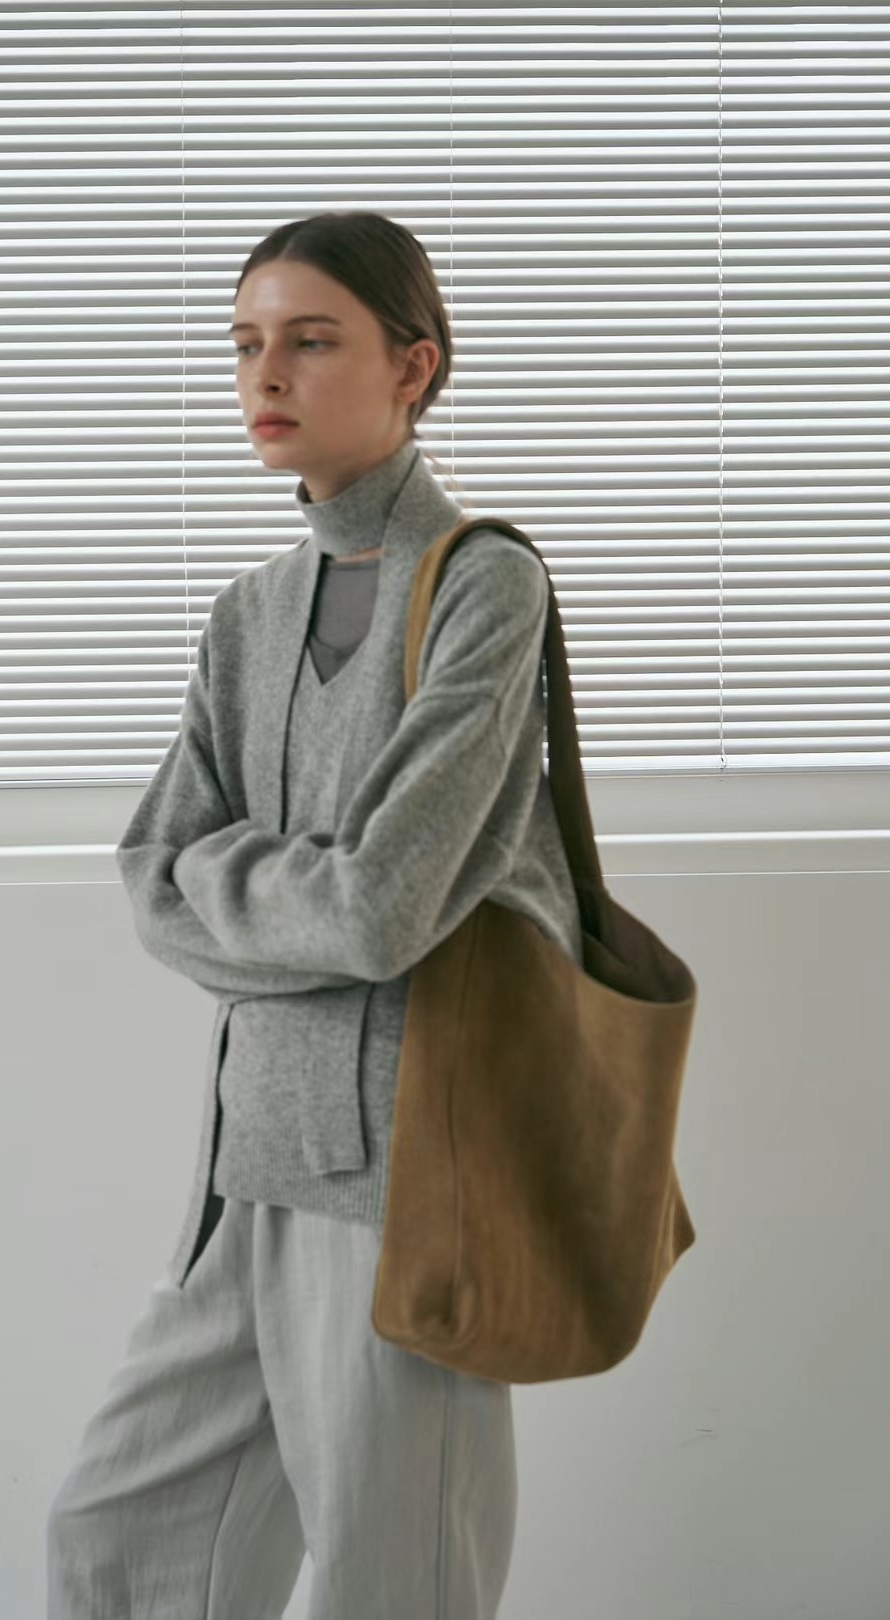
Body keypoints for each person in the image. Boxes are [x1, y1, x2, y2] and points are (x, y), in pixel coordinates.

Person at [46, 210, 583, 1619]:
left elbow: (379, 910)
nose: (265, 373)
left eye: (310, 339)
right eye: (245, 344)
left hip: (410, 1180)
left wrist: (230, 879)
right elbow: (147, 876)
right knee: (115, 1542)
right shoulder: (247, 614)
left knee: (391, 1581)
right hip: (245, 1169)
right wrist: (285, 884)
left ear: (415, 367)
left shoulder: (483, 584)